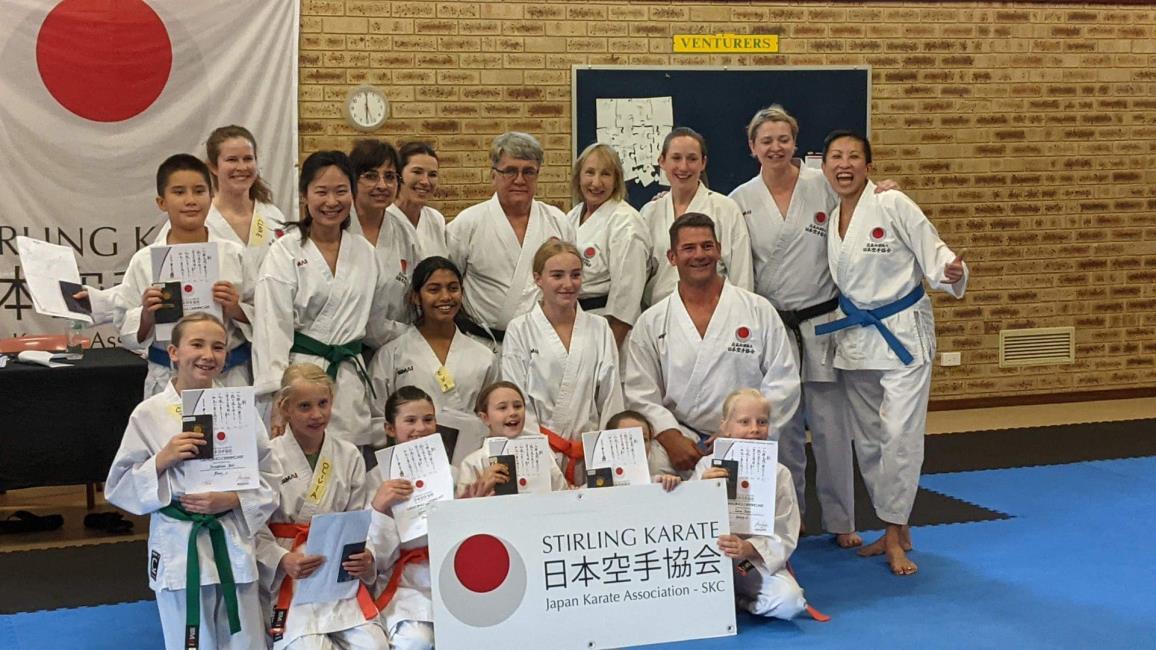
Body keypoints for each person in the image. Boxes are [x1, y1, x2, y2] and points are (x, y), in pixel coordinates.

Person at [816, 130, 968, 576]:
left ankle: (896, 532)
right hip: (857, 339)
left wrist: (949, 271)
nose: (844, 164)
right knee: (869, 441)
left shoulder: (892, 203)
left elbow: (933, 249)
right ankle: (893, 528)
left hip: (902, 335)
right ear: (823, 167)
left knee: (900, 435)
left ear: (869, 165)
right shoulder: (831, 215)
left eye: (854, 157)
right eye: (836, 157)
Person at [104, 313, 279, 650]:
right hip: (178, 543)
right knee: (189, 639)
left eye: (218, 347)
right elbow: (119, 486)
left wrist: (233, 499)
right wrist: (162, 459)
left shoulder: (240, 409)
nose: (207, 355)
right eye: (196, 344)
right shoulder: (148, 413)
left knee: (245, 639)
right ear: (173, 352)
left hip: (231, 535)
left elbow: (270, 476)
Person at [728, 105, 858, 546]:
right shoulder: (739, 200)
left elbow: (861, 203)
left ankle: (842, 520)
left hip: (822, 321)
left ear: (795, 143)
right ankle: (790, 515)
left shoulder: (822, 185)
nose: (775, 147)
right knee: (779, 427)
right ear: (752, 147)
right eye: (766, 141)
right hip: (773, 326)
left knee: (831, 428)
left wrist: (885, 190)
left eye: (783, 139)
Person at [252, 151, 406, 460]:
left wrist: (415, 335)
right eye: (321, 192)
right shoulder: (285, 251)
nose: (331, 202)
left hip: (348, 381)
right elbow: (272, 328)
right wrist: (279, 398)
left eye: (341, 191)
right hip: (300, 379)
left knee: (349, 465)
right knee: (300, 466)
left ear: (352, 193)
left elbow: (374, 324)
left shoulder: (364, 252)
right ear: (304, 196)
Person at [624, 213, 800, 478]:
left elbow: (783, 382)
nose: (699, 255)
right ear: (672, 257)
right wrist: (670, 436)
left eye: (707, 246)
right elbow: (640, 391)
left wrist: (742, 431)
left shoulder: (757, 310)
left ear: (719, 250)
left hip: (748, 440)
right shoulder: (652, 321)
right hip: (681, 446)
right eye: (688, 248)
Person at [256, 363, 386, 649]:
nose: (316, 414)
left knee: (374, 644)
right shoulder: (268, 456)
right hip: (292, 574)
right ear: (285, 407)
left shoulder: (348, 454)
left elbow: (361, 519)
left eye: (323, 403)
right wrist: (282, 559)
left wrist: (366, 555)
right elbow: (253, 526)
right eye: (304, 406)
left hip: (337, 571)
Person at [118, 154, 252, 398]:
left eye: (199, 191)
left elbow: (266, 315)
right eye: (179, 192)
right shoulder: (144, 260)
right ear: (161, 202)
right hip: (168, 378)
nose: (190, 200)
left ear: (211, 197)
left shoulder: (234, 254)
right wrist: (147, 316)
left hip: (228, 377)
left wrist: (236, 309)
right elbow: (125, 327)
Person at [366, 386, 488, 650]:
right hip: (405, 583)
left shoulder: (452, 473)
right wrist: (379, 508)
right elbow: (376, 559)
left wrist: (471, 504)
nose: (420, 428)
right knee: (416, 641)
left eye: (428, 419)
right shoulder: (376, 480)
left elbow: (467, 538)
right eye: (410, 420)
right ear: (389, 428)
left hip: (451, 575)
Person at [502, 240, 624, 485]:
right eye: (557, 275)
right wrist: (543, 460)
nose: (568, 284)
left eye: (575, 275)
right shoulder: (520, 329)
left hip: (590, 453)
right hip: (537, 452)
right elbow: (516, 400)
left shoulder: (599, 327)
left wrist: (606, 455)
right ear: (538, 278)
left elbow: (611, 397)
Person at [446, 132, 576, 350]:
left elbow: (571, 285)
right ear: (493, 175)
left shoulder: (558, 221)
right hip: (483, 345)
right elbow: (448, 283)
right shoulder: (468, 224)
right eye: (510, 171)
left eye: (528, 172)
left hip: (544, 344)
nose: (520, 180)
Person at [695, 389, 806, 621]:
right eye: (744, 422)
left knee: (791, 601)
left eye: (762, 422)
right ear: (725, 426)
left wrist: (749, 547)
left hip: (749, 560)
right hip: (708, 556)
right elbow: (687, 521)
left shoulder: (780, 473)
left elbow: (785, 531)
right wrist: (702, 490)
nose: (754, 429)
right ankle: (726, 599)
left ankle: (740, 602)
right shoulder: (706, 467)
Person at [368, 256, 498, 427]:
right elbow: (378, 418)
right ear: (415, 297)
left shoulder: (484, 356)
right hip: (412, 443)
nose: (446, 297)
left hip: (471, 443)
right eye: (434, 290)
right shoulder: (391, 355)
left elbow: (495, 414)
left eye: (453, 288)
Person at [640, 127, 753, 307]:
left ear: (703, 163)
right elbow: (638, 275)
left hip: (716, 309)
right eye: (676, 158)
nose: (684, 167)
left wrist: (741, 312)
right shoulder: (649, 212)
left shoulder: (725, 208)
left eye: (692, 159)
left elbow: (742, 273)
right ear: (662, 161)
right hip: (661, 312)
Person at [154, 125, 287, 277]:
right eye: (232, 160)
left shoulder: (273, 216)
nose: (242, 167)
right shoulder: (194, 216)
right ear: (213, 167)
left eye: (248, 159)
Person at [566, 143, 650, 348]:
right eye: (589, 172)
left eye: (605, 174)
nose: (596, 182)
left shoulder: (626, 223)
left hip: (608, 327)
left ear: (616, 180)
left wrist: (609, 350)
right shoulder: (573, 216)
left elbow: (627, 298)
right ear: (578, 177)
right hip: (573, 322)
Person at [348, 139, 417, 344]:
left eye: (390, 177)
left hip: (394, 344)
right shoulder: (336, 228)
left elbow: (415, 294)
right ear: (352, 180)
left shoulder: (404, 232)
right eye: (370, 176)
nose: (382, 185)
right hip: (342, 345)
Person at [455, 381, 569, 495]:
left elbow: (563, 494)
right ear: (485, 418)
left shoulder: (543, 453)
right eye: (502, 407)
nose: (513, 412)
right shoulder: (472, 463)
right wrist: (481, 488)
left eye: (518, 406)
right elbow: (463, 504)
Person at [389, 142, 448, 260]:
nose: (425, 182)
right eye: (417, 172)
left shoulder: (436, 219)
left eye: (432, 175)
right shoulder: (384, 219)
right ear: (398, 174)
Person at [604, 410, 682, 491]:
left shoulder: (658, 480)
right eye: (626, 439)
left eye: (643, 439)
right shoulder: (599, 482)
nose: (636, 446)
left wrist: (670, 482)